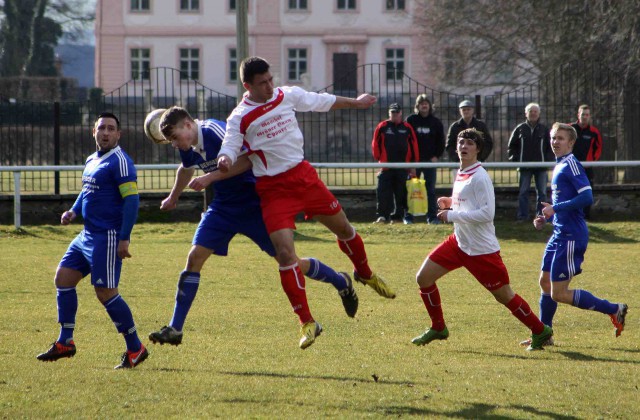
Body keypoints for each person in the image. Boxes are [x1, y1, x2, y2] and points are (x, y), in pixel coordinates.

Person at [217, 56, 396, 349]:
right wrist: (224, 158)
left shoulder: (285, 95)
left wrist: (357, 103)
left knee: (345, 230)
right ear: (247, 86)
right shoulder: (239, 117)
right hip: (273, 190)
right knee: (285, 255)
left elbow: (321, 101)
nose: (269, 86)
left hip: (304, 178)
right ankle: (308, 322)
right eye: (262, 83)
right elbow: (230, 144)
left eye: (270, 79)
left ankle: (364, 274)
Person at [147, 106, 359, 346]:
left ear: (187, 124)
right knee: (194, 257)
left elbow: (249, 159)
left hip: (254, 204)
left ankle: (340, 281)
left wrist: (210, 177)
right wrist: (173, 197)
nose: (175, 144)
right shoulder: (188, 145)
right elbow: (185, 169)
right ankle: (175, 328)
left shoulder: (216, 131)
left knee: (290, 261)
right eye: (171, 141)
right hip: (224, 207)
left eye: (175, 138)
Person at [411, 128, 553, 351]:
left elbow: (487, 214)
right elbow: (468, 203)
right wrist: (450, 202)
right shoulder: (462, 171)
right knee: (423, 278)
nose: (464, 146)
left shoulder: (480, 176)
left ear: (478, 149)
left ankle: (540, 330)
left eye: (469, 143)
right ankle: (438, 327)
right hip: (459, 243)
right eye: (461, 142)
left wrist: (452, 215)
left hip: (481, 250)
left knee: (504, 296)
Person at [36, 112, 148, 369]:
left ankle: (136, 348)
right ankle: (65, 341)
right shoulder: (92, 159)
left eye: (111, 129)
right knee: (63, 279)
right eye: (101, 128)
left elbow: (132, 201)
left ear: (118, 134)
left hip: (107, 237)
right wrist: (73, 211)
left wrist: (124, 238)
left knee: (106, 293)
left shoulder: (121, 162)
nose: (105, 132)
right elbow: (86, 190)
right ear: (93, 132)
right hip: (86, 235)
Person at [519, 123, 627, 347]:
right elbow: (564, 205)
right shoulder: (559, 164)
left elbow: (587, 197)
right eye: (553, 138)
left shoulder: (571, 164)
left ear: (571, 142)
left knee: (558, 293)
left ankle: (614, 309)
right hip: (559, 233)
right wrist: (547, 218)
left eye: (560, 138)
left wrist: (555, 209)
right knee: (544, 282)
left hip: (571, 236)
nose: (555, 142)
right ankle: (545, 334)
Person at [371, 102, 418, 224]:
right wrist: (380, 159)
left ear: (401, 113)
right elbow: (375, 144)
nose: (395, 114)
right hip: (386, 167)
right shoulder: (382, 126)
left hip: (402, 167)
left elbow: (414, 146)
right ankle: (382, 216)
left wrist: (413, 164)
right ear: (389, 113)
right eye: (392, 112)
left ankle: (397, 217)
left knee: (400, 193)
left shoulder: (407, 127)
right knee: (382, 192)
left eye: (397, 112)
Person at [507, 102, 553, 222]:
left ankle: (541, 217)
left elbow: (551, 147)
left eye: (535, 111)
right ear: (526, 113)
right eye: (530, 111)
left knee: (542, 193)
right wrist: (516, 160)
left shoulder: (544, 129)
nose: (533, 113)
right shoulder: (520, 129)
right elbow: (511, 147)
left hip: (541, 167)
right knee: (523, 192)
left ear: (539, 114)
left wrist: (547, 160)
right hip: (524, 167)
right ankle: (523, 216)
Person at [406, 94, 445, 224]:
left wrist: (436, 156)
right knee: (411, 189)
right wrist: (410, 161)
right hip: (414, 162)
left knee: (431, 190)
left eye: (426, 103)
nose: (424, 105)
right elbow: (406, 141)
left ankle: (432, 217)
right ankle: (408, 217)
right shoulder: (411, 120)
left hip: (429, 162)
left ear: (429, 106)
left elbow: (441, 141)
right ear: (417, 106)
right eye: (421, 103)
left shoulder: (436, 122)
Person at [571, 104, 602, 219]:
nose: (584, 117)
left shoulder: (594, 132)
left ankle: (585, 216)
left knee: (587, 191)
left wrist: (592, 161)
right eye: (583, 114)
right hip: (571, 166)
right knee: (571, 190)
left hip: (587, 167)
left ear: (589, 116)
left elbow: (598, 148)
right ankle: (572, 215)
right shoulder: (570, 129)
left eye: (587, 115)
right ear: (578, 115)